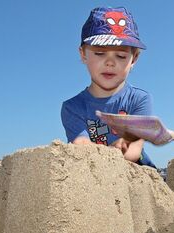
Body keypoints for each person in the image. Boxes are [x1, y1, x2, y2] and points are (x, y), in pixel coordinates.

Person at [61, 6, 156, 167]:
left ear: (134, 59)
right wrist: (110, 152)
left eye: (120, 55)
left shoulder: (140, 100)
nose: (110, 62)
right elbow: (81, 147)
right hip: (94, 177)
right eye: (99, 53)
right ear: (83, 54)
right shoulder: (73, 107)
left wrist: (123, 146)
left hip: (136, 178)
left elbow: (134, 150)